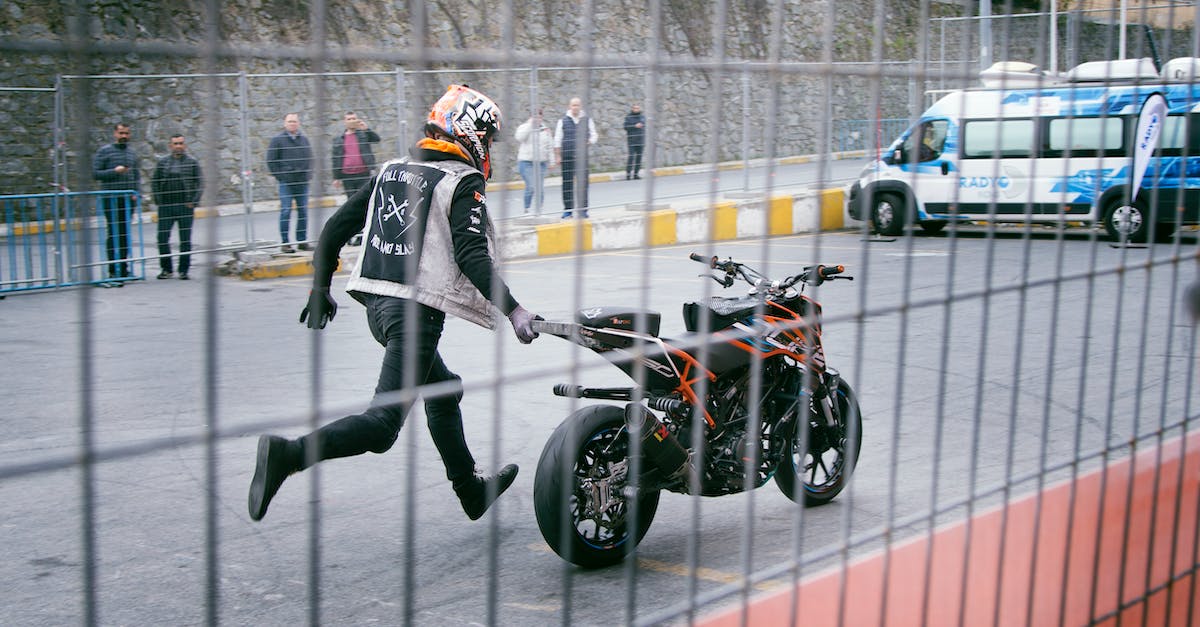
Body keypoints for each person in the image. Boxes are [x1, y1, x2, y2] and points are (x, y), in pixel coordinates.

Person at [248, 84, 540, 523]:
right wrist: (514, 311)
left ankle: (471, 491)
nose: (490, 147)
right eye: (489, 137)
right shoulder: (462, 181)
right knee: (382, 428)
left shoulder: (391, 170)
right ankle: (287, 455)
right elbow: (472, 255)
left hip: (378, 310)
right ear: (469, 133)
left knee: (444, 390)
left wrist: (320, 288)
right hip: (414, 318)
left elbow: (333, 230)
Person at [92, 122, 140, 283]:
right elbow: (95, 173)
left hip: (128, 200)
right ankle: (113, 270)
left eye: (126, 133)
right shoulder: (104, 151)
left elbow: (136, 175)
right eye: (121, 133)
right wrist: (114, 172)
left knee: (125, 234)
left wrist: (136, 193)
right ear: (115, 134)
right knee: (113, 233)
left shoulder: (132, 153)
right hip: (111, 199)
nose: (124, 136)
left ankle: (124, 269)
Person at [151, 134, 203, 280]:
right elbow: (155, 181)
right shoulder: (163, 162)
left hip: (185, 206)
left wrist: (193, 201)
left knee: (185, 239)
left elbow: (200, 183)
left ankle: (183, 270)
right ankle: (166, 269)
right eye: (175, 143)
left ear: (184, 145)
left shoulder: (192, 162)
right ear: (170, 146)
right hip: (166, 206)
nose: (178, 146)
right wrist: (159, 200)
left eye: (181, 143)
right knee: (162, 238)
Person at [266, 112, 313, 253]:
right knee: (286, 211)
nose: (292, 124)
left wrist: (308, 174)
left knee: (303, 211)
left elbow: (310, 158)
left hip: (302, 182)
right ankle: (285, 243)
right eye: (290, 121)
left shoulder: (304, 140)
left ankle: (302, 241)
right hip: (286, 182)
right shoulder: (277, 140)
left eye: (295, 121)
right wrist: (281, 176)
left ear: (298, 123)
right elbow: (271, 161)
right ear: (285, 123)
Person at [554, 97, 598, 219]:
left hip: (582, 158)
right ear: (569, 106)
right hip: (567, 156)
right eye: (573, 105)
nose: (575, 107)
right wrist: (558, 155)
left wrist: (589, 141)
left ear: (581, 106)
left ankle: (583, 210)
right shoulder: (562, 121)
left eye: (577, 105)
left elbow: (594, 135)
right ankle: (568, 210)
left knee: (583, 184)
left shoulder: (587, 120)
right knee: (567, 184)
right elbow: (557, 139)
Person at [332, 110, 381, 199]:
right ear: (345, 122)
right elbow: (336, 159)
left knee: (364, 200)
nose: (351, 121)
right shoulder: (339, 139)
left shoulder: (363, 134)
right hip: (347, 176)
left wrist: (366, 129)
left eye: (354, 119)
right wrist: (336, 177)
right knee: (351, 201)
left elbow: (376, 139)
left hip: (363, 174)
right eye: (349, 119)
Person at [514, 109, 555, 214]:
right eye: (535, 116)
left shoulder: (545, 130)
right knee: (531, 186)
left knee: (540, 188)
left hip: (541, 163)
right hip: (526, 162)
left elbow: (550, 146)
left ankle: (539, 210)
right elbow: (519, 137)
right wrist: (530, 126)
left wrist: (552, 160)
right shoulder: (524, 127)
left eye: (539, 116)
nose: (538, 119)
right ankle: (527, 209)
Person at [623, 103, 645, 180]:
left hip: (640, 140)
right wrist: (634, 126)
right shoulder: (628, 117)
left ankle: (636, 174)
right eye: (635, 108)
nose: (636, 109)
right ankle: (628, 174)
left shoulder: (642, 117)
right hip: (632, 141)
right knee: (631, 157)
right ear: (632, 109)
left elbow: (645, 125)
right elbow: (625, 127)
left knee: (639, 158)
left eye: (637, 108)